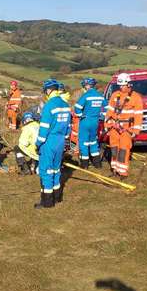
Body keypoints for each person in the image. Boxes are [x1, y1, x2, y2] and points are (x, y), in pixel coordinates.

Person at [34, 79, 72, 208]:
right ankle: (58, 197)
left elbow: (44, 128)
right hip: (60, 141)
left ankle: (47, 202)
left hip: (49, 141)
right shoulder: (66, 105)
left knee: (46, 171)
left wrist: (38, 143)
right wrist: (64, 138)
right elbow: (68, 127)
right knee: (56, 169)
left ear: (48, 90)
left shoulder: (49, 105)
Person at [104, 73, 143, 179]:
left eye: (123, 85)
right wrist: (107, 125)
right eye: (119, 85)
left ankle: (123, 172)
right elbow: (110, 111)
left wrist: (135, 130)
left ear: (129, 84)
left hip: (127, 128)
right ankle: (115, 169)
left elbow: (138, 115)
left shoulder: (136, 97)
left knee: (123, 149)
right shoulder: (115, 95)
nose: (121, 87)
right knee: (114, 148)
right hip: (114, 127)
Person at [74, 77, 106, 169]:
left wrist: (80, 115)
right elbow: (107, 107)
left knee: (83, 142)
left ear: (86, 86)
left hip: (85, 121)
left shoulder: (86, 95)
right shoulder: (100, 95)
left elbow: (77, 107)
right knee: (93, 141)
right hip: (95, 121)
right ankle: (97, 163)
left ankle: (85, 165)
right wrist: (102, 116)